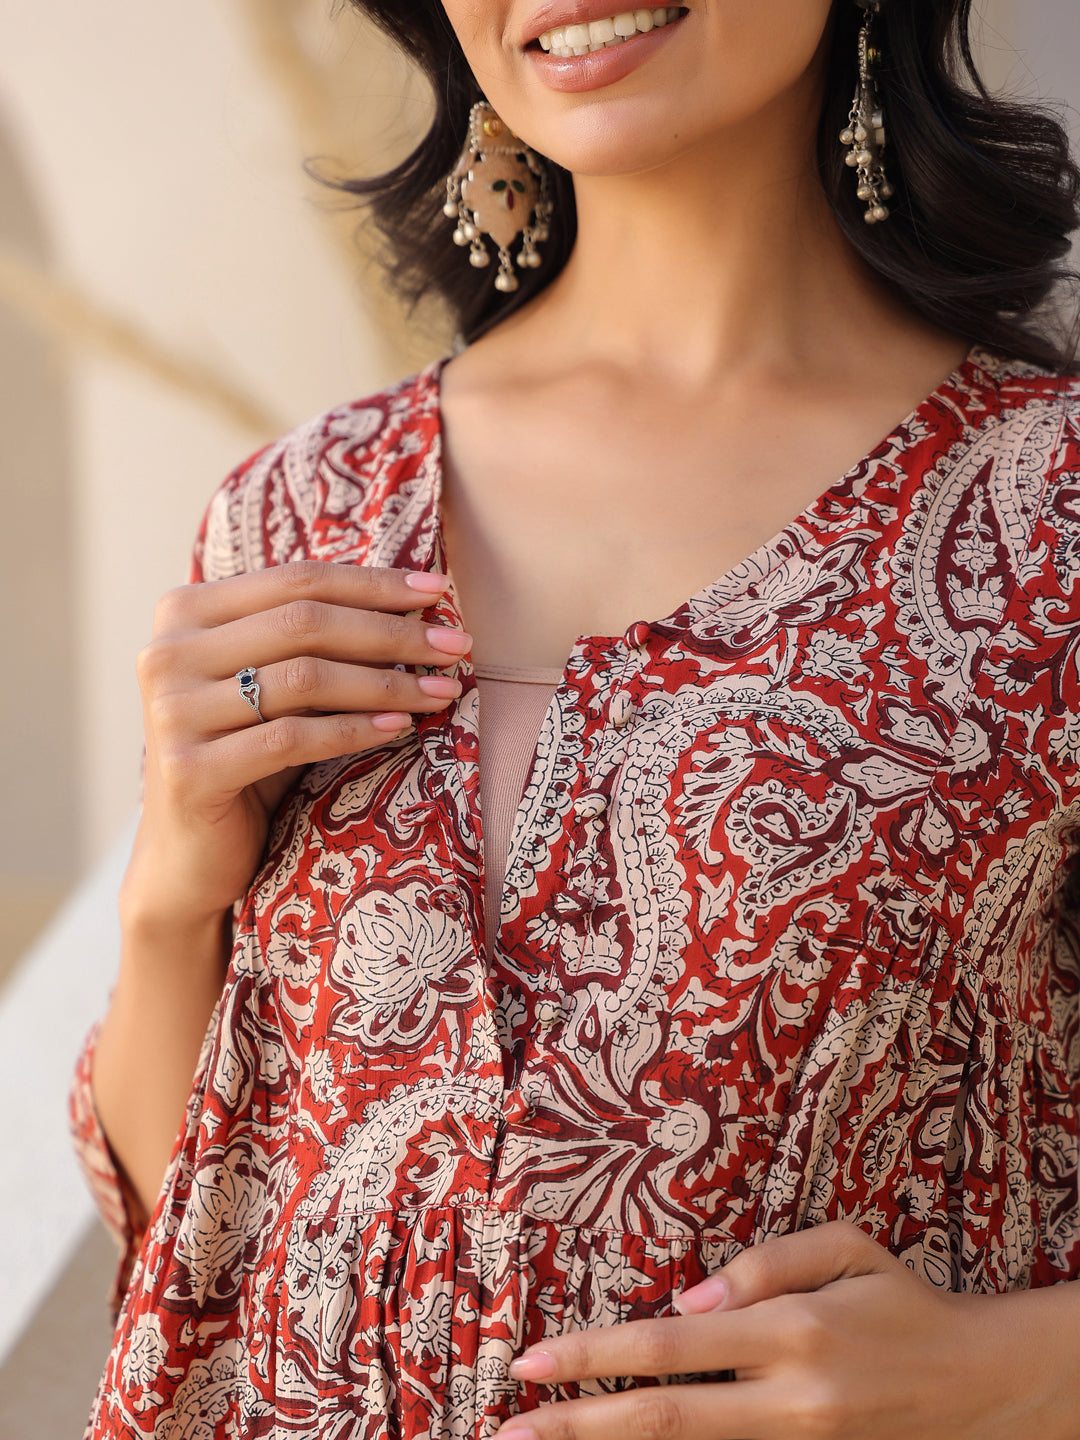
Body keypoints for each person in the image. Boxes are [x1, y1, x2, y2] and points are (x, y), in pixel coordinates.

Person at [72, 1, 1080, 1436]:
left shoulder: (1046, 523)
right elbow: (200, 1230)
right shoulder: (302, 507)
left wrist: (1009, 1374)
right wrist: (172, 899)